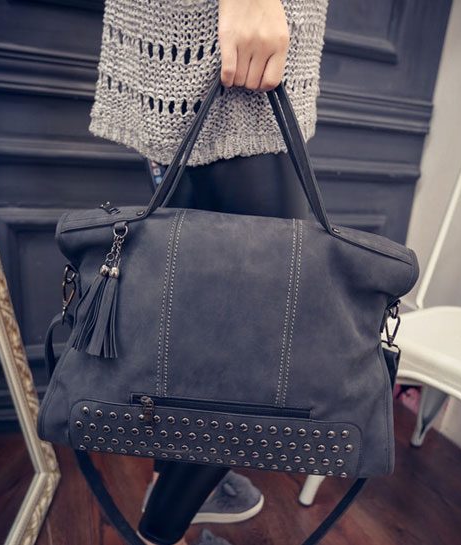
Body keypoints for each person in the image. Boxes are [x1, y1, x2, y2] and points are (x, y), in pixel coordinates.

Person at [88, 1, 330, 544]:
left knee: (197, 319)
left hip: (184, 54)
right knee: (269, 349)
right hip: (232, 46)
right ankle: (161, 528)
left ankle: (173, 486)